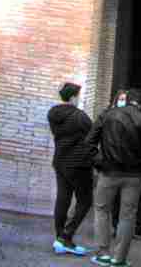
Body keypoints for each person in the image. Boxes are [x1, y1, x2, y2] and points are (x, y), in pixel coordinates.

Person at [89, 84, 141, 264]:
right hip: (135, 176)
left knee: (101, 210)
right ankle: (119, 259)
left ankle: (102, 253)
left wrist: (99, 162)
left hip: (108, 172)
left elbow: (89, 142)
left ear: (127, 100)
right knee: (128, 216)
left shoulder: (106, 115)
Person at [49, 80, 96, 257]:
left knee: (63, 198)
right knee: (85, 200)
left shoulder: (52, 113)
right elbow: (93, 136)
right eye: (78, 95)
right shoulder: (80, 116)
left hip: (59, 161)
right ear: (74, 96)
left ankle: (59, 237)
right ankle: (65, 237)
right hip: (78, 164)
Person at [112, 90, 141, 239]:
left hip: (129, 167)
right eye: (120, 99)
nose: (122, 102)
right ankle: (123, 229)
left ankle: (137, 228)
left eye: (124, 99)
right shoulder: (109, 117)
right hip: (121, 167)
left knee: (135, 200)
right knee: (119, 201)